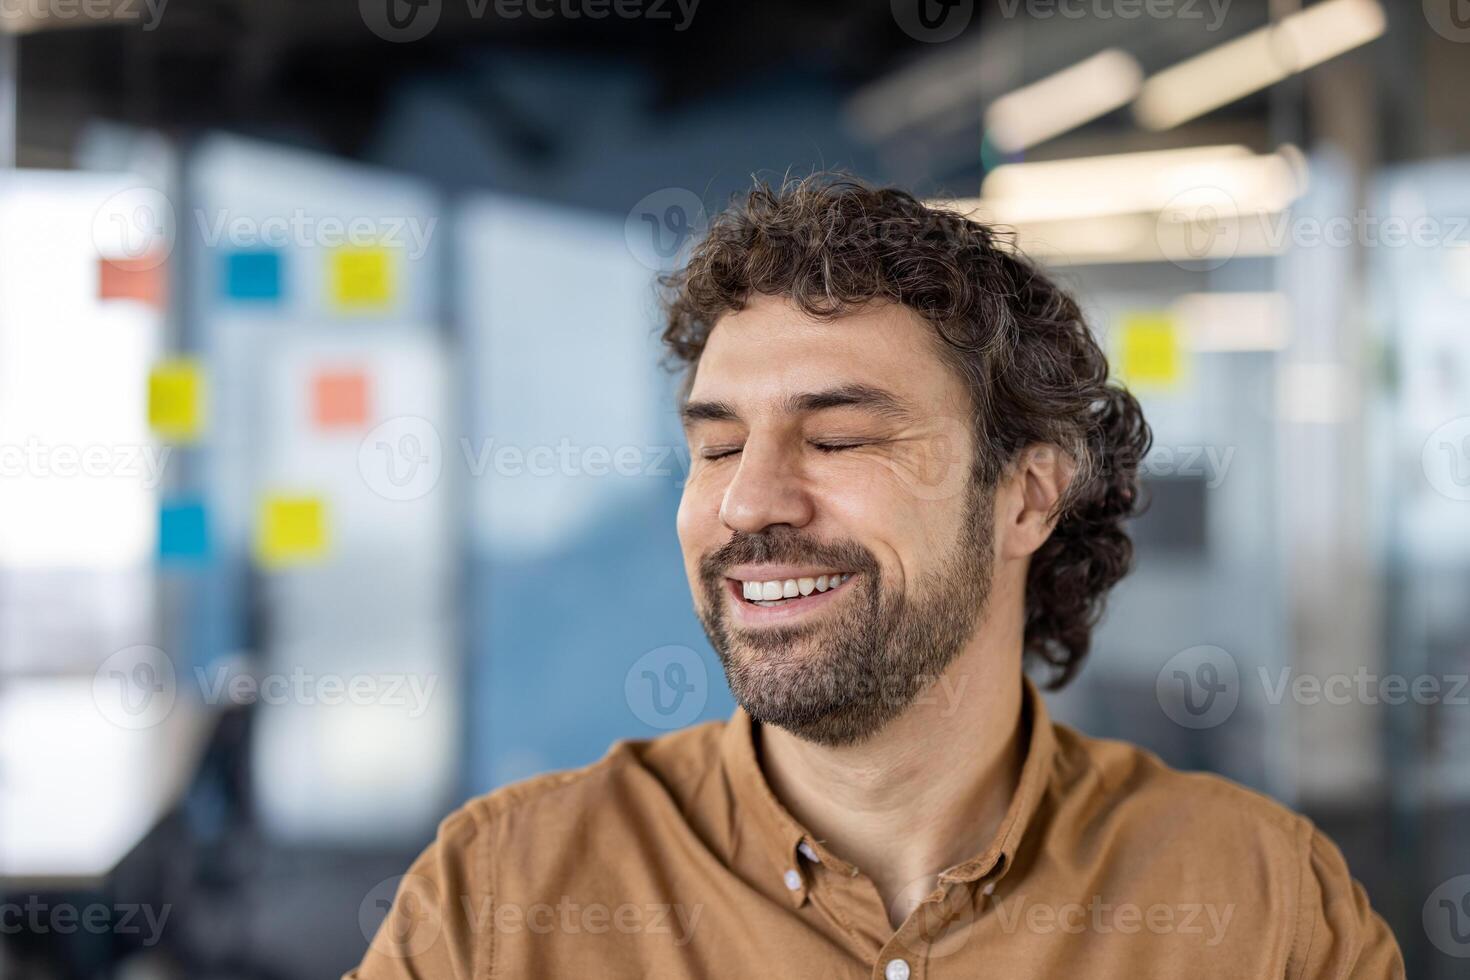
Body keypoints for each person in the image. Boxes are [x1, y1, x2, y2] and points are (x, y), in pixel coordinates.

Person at [346, 174, 1405, 979]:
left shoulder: (1264, 908)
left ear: (1027, 497)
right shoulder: (497, 905)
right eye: (716, 446)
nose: (750, 500)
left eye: (840, 436)